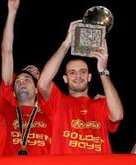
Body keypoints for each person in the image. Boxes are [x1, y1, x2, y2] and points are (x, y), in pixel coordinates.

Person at [0, 2, 51, 156]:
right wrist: (12, 12)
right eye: (19, 79)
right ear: (12, 92)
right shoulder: (5, 108)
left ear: (37, 89)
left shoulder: (52, 113)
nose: (22, 81)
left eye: (29, 78)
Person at [37, 20, 124, 154]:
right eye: (72, 72)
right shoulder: (58, 102)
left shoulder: (101, 103)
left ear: (89, 77)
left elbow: (117, 115)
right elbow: (42, 83)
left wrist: (103, 70)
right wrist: (66, 43)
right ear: (65, 79)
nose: (78, 76)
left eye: (83, 71)